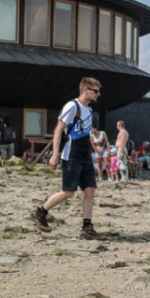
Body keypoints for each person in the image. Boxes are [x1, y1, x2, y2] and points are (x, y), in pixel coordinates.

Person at [30, 77, 103, 239]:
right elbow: (58, 130)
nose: (98, 94)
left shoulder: (89, 110)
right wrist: (55, 154)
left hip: (85, 155)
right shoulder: (72, 106)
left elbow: (87, 132)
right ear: (86, 90)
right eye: (96, 91)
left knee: (90, 190)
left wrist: (95, 147)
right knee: (68, 192)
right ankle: (40, 212)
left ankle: (87, 227)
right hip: (72, 155)